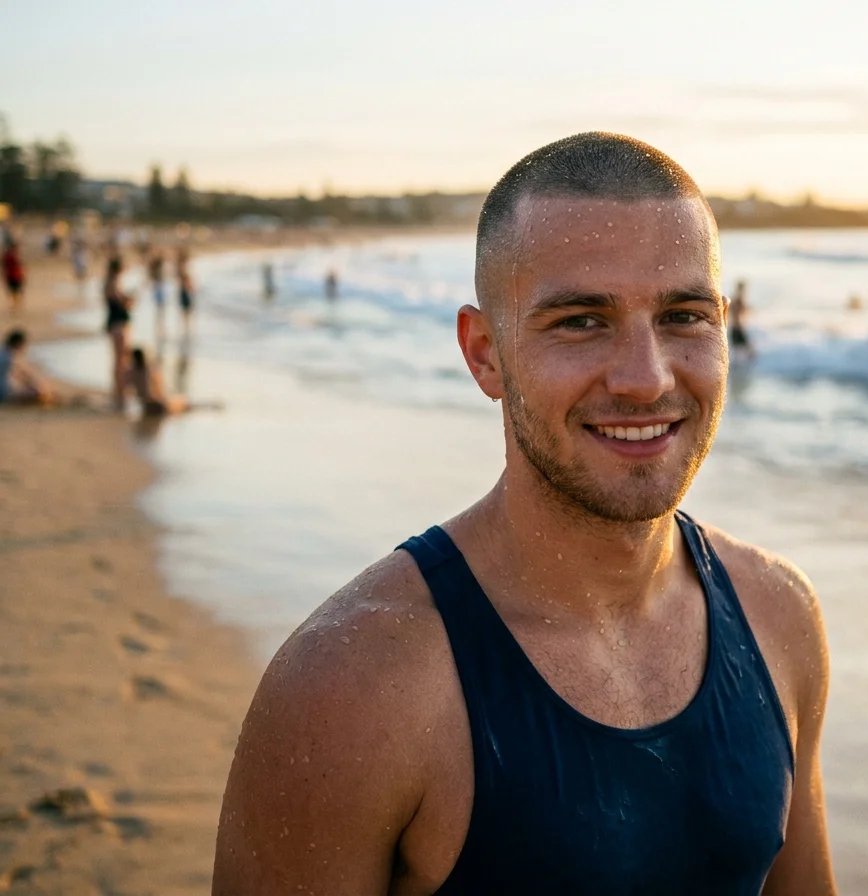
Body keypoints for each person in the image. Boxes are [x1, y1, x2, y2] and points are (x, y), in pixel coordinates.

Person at [214, 133, 835, 895]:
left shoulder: (780, 616)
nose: (646, 378)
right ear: (484, 354)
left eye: (684, 316)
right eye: (580, 321)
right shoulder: (354, 687)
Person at [103, 256, 133, 410]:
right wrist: (129, 300)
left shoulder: (110, 282)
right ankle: (119, 391)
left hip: (117, 324)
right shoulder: (112, 283)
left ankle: (119, 390)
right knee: (120, 359)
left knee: (120, 358)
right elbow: (122, 303)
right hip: (118, 324)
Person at [125, 346, 189, 415]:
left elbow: (128, 390)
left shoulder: (131, 372)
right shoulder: (151, 370)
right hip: (159, 404)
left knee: (180, 402)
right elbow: (160, 390)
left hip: (145, 407)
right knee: (182, 402)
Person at [0, 329, 55, 405]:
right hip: (3, 394)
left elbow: (19, 376)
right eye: (23, 345)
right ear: (18, 344)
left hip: (4, 391)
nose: (24, 348)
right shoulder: (9, 356)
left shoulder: (3, 352)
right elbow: (25, 376)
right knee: (38, 394)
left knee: (33, 391)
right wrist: (39, 387)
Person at [728, 277, 756, 361]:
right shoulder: (738, 299)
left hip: (734, 326)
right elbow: (742, 309)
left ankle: (739, 368)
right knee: (746, 349)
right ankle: (745, 368)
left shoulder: (734, 299)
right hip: (738, 327)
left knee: (737, 349)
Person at [3, 235, 25, 314]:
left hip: (11, 275)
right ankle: (15, 306)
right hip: (15, 275)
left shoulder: (7, 255)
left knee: (13, 292)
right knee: (16, 292)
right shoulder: (13, 256)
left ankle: (14, 306)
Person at [176, 247, 194, 336]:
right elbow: (187, 283)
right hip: (184, 292)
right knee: (186, 310)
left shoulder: (182, 271)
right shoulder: (183, 271)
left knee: (186, 310)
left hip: (184, 292)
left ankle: (186, 327)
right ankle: (186, 327)